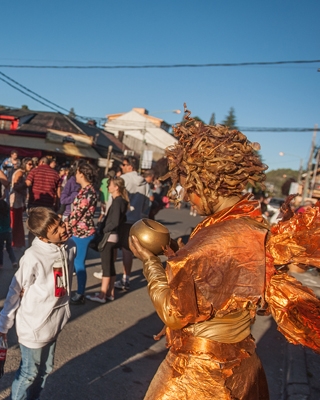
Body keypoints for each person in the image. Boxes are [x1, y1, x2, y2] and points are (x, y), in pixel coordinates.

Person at [129, 109, 320, 399]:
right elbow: (226, 282)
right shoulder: (254, 226)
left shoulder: (211, 240)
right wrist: (183, 260)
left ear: (205, 184)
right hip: (243, 365)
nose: (189, 199)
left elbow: (175, 313)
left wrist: (150, 263)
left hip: (197, 374)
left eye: (190, 189)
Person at [0, 207, 76, 400]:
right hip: (34, 324)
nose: (62, 230)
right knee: (29, 372)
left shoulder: (71, 246)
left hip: (55, 321)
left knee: (46, 369)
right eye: (55, 230)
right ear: (43, 238)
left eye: (61, 224)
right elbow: (15, 289)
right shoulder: (33, 256)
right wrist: (3, 325)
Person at [86, 177, 129, 303]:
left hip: (109, 236)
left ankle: (102, 295)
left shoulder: (117, 202)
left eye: (110, 185)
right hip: (115, 236)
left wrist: (104, 229)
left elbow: (114, 221)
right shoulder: (122, 201)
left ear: (116, 187)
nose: (108, 187)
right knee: (110, 265)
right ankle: (110, 293)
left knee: (106, 266)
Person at [115, 156, 150, 291]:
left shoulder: (124, 179)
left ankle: (116, 277)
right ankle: (126, 277)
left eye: (123, 165)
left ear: (130, 166)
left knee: (118, 248)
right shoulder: (145, 183)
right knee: (128, 249)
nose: (122, 167)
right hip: (137, 219)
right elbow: (147, 203)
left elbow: (118, 198)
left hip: (124, 218)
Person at [66, 162, 98, 305]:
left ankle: (80, 293)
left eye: (77, 172)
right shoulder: (86, 190)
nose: (75, 174)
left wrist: (66, 224)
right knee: (75, 262)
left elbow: (77, 213)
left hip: (82, 232)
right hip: (78, 230)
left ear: (82, 174)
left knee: (78, 262)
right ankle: (78, 291)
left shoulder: (88, 192)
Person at [25, 156, 62, 244]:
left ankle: (31, 246)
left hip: (35, 203)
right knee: (46, 227)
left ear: (41, 162)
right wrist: (57, 205)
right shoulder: (55, 174)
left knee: (33, 227)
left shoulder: (34, 171)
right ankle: (44, 245)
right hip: (48, 204)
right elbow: (58, 193)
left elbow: (28, 183)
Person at [10, 157, 33, 248]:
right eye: (29, 164)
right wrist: (25, 187)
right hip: (15, 202)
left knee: (18, 223)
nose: (31, 166)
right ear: (24, 164)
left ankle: (17, 242)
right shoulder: (20, 172)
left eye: (32, 164)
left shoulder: (23, 173)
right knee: (15, 223)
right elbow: (15, 186)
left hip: (19, 201)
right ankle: (14, 242)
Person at [0, 199, 18, 269]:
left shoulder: (0, 214)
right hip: (9, 232)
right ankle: (14, 261)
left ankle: (0, 264)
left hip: (1, 232)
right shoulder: (7, 212)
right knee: (9, 248)